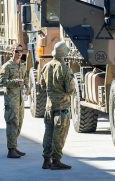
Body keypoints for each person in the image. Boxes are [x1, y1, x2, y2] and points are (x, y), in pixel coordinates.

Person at [40, 41, 75, 170]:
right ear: (64, 53)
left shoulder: (46, 66)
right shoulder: (64, 68)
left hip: (49, 106)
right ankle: (56, 161)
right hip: (62, 107)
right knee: (59, 135)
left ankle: (46, 160)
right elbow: (70, 90)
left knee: (48, 133)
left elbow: (42, 85)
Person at [0, 44, 28, 158]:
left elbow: (25, 78)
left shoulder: (23, 66)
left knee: (19, 123)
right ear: (12, 52)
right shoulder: (7, 66)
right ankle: (11, 150)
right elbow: (2, 81)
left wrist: (27, 87)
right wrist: (15, 82)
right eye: (16, 51)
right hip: (11, 99)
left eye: (20, 51)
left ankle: (14, 146)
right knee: (12, 123)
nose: (19, 53)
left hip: (20, 99)